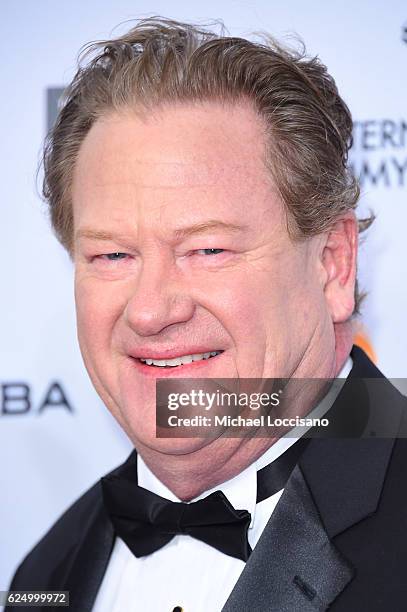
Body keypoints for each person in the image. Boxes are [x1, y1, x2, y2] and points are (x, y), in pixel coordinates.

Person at [6, 16, 407, 612]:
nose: (149, 310)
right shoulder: (47, 570)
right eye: (112, 254)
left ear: (334, 263)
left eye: (207, 250)